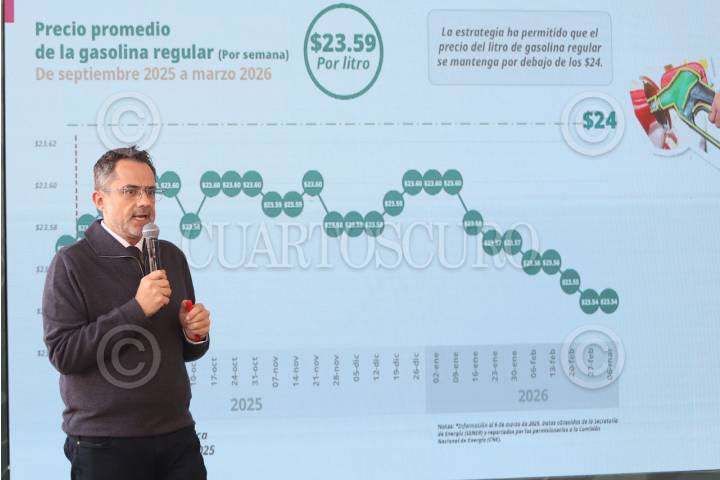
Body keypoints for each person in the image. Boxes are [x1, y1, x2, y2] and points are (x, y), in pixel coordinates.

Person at [42, 146, 211, 479]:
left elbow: (188, 351)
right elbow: (64, 354)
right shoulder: (71, 263)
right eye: (130, 191)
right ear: (99, 199)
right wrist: (136, 309)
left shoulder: (171, 256)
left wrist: (194, 333)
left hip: (177, 435)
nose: (144, 202)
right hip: (104, 443)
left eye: (150, 191)